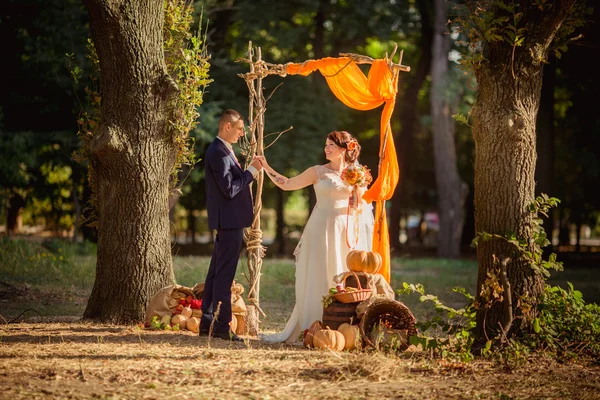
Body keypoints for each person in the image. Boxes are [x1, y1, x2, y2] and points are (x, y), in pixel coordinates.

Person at [256, 131, 374, 343]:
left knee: (342, 273)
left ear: (343, 149)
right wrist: (266, 167)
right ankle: (313, 324)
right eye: (325, 144)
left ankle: (342, 325)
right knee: (319, 272)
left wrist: (357, 201)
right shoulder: (317, 172)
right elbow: (287, 183)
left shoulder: (356, 174)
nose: (326, 149)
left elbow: (362, 206)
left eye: (331, 145)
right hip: (321, 228)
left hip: (343, 229)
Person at [199, 109, 263, 342]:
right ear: (227, 127)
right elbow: (230, 189)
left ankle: (208, 323)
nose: (240, 135)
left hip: (228, 221)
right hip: (229, 222)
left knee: (216, 274)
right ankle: (221, 326)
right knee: (224, 276)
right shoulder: (219, 153)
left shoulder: (223, 150)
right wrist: (252, 172)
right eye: (238, 130)